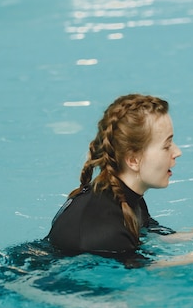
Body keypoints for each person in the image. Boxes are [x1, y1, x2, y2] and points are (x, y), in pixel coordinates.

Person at [47, 93, 182, 263]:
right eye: (167, 145)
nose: (177, 152)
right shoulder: (107, 227)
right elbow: (144, 276)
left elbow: (156, 236)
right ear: (133, 160)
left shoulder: (123, 196)